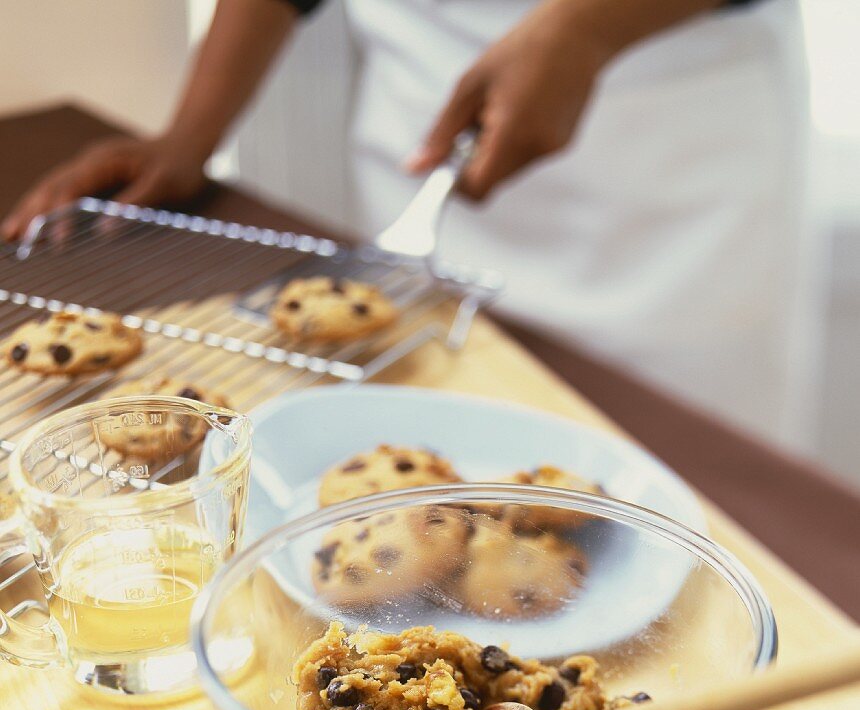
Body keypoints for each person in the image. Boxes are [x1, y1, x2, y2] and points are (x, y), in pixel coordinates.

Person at [3, 0, 808, 441]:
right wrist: (189, 134)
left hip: (671, 140)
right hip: (421, 109)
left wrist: (584, 26)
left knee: (692, 472)